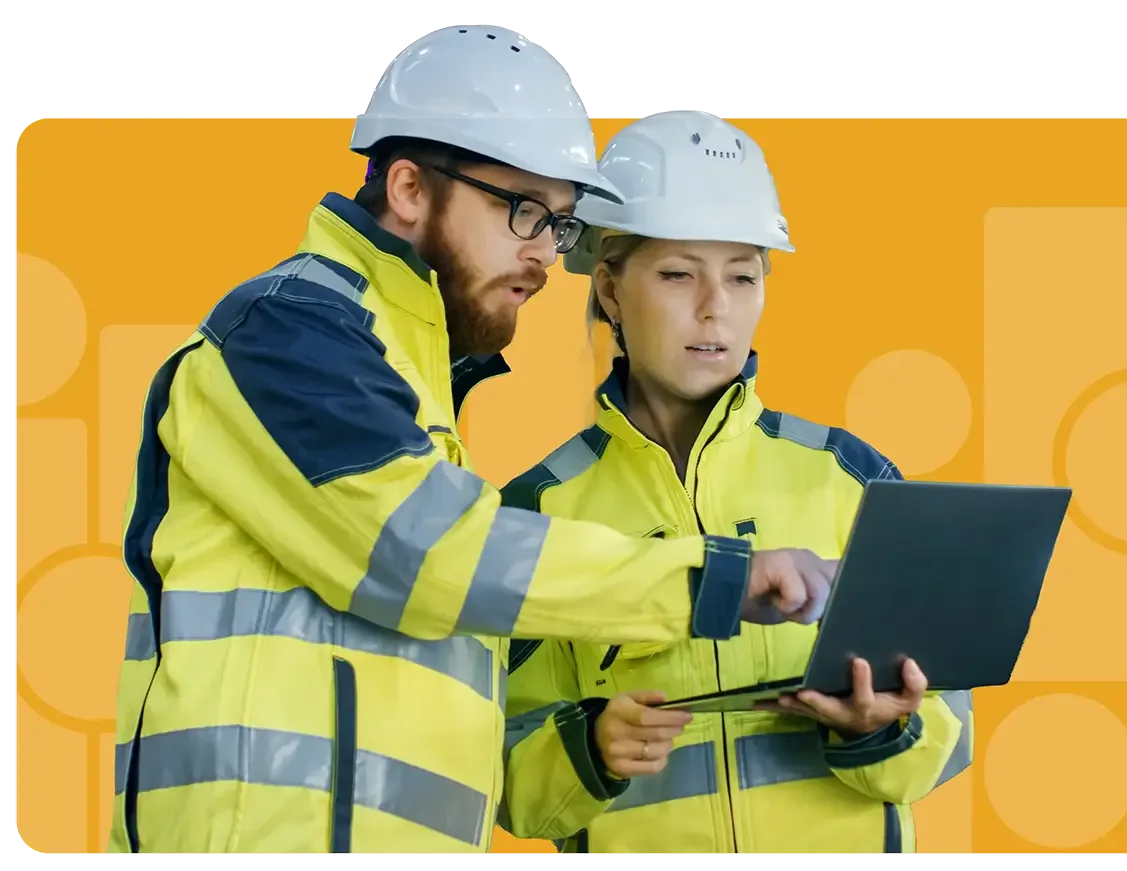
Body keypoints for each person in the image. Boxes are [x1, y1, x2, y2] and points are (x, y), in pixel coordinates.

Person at [107, 29, 838, 856]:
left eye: (558, 225)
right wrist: (712, 578)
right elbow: (422, 553)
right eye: (521, 209)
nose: (539, 254)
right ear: (412, 189)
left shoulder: (414, 382)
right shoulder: (290, 332)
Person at [498, 111, 974, 855]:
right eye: (679, 273)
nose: (715, 306)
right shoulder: (534, 511)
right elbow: (500, 765)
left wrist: (882, 726)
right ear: (613, 292)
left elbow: (950, 731)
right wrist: (587, 745)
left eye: (743, 275)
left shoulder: (851, 475)